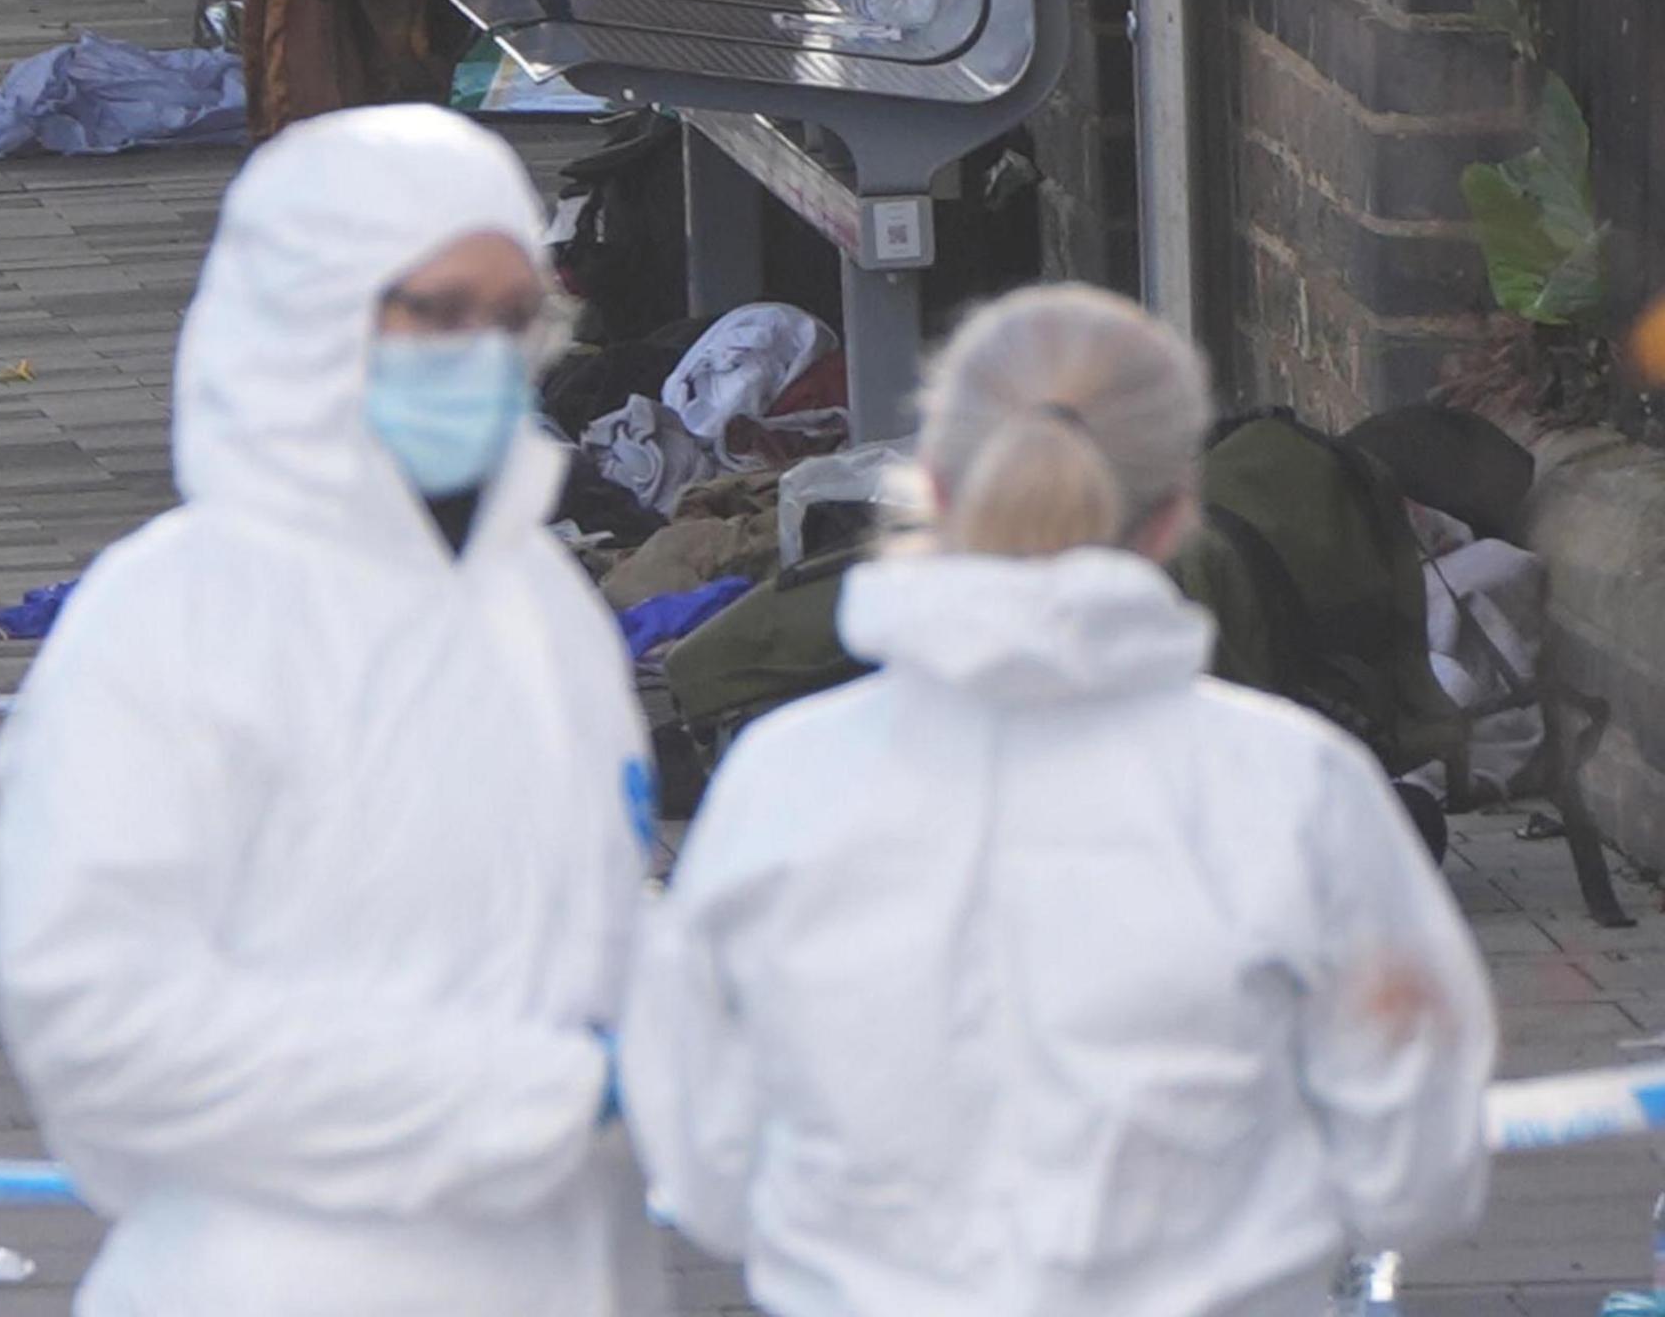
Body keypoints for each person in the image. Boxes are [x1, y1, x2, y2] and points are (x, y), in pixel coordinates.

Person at [621, 286, 1495, 1316]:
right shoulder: (1297, 786)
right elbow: (1420, 1159)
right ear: (1177, 512)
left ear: (929, 495)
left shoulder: (785, 780)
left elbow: (700, 1152)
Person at [0, 105, 663, 1315]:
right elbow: (106, 1026)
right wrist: (522, 1098)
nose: (482, 356)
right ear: (312, 313)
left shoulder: (538, 606)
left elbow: (580, 927)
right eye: (437, 313)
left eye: (514, 319)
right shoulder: (179, 618)